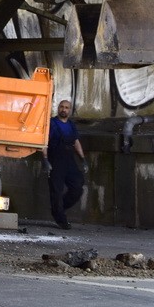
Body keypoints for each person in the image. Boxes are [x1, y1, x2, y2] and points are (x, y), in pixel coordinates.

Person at [42, 99, 86, 231]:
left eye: (66, 107)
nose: (64, 109)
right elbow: (44, 142)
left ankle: (58, 208)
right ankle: (60, 218)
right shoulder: (52, 124)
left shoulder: (71, 125)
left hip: (69, 159)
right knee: (56, 190)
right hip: (55, 159)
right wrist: (45, 160)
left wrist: (83, 159)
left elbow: (76, 142)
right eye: (61, 107)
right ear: (58, 108)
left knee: (78, 186)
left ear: (70, 110)